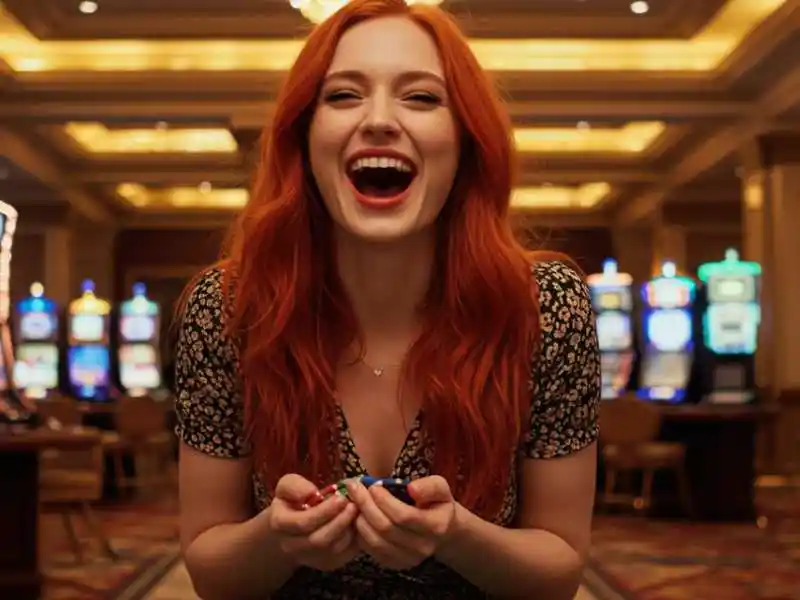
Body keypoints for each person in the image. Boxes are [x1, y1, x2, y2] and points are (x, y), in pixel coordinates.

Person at [174, 0, 600, 598]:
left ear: (467, 140)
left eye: (421, 97)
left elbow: (559, 572)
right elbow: (210, 571)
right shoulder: (227, 308)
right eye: (343, 95)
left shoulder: (546, 306)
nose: (378, 120)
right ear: (304, 138)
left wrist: (457, 536)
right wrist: (276, 538)